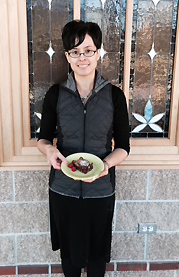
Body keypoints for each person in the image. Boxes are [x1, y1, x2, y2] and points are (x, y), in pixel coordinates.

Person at [37, 20, 130, 277]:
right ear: (67, 56)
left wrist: (106, 165)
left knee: (97, 257)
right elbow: (43, 138)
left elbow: (123, 146)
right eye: (75, 52)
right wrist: (48, 151)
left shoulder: (114, 96)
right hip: (63, 189)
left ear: (98, 53)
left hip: (100, 189)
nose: (82, 57)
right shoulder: (56, 94)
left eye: (88, 50)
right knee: (70, 256)